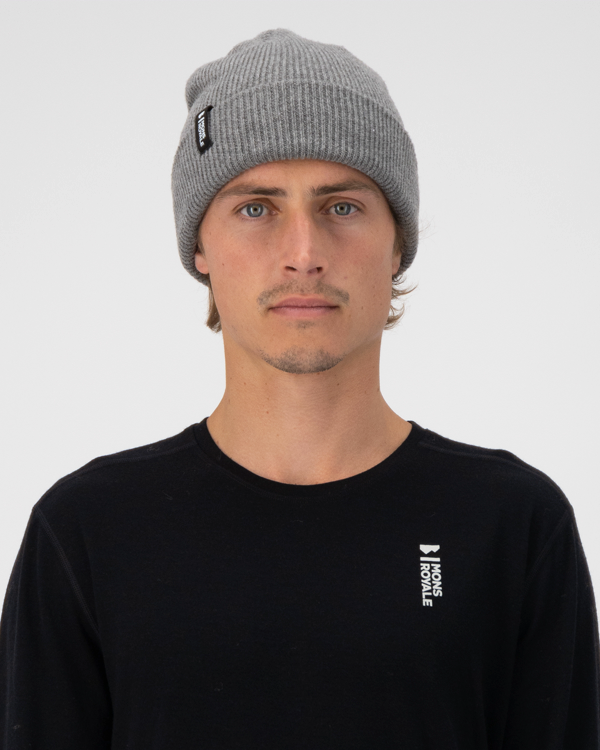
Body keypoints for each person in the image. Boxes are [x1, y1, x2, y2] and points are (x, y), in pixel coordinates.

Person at [1, 28, 599, 749]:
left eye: (341, 206)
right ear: (200, 247)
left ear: (398, 243)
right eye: (256, 208)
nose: (304, 254)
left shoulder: (511, 524)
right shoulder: (88, 532)